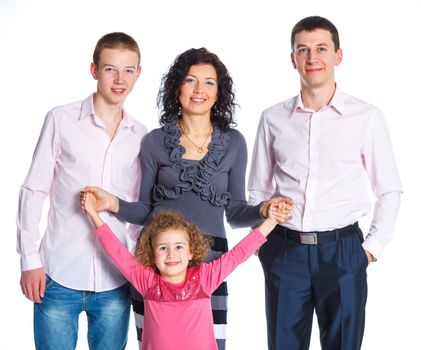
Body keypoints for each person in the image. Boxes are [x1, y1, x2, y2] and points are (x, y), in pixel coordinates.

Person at [82, 47, 293, 349]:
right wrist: (111, 204)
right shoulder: (154, 141)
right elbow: (144, 210)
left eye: (209, 82)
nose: (199, 90)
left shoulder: (233, 143)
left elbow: (234, 213)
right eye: (191, 80)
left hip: (211, 258)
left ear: (219, 92)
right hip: (157, 257)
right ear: (176, 87)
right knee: (156, 340)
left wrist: (263, 208)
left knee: (211, 341)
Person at [248, 16, 403, 350]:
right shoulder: (273, 118)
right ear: (292, 59)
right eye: (302, 50)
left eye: (321, 49)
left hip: (344, 252)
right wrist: (261, 244)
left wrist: (370, 251)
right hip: (284, 251)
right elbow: (257, 190)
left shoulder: (367, 117)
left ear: (338, 55)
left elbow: (389, 188)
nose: (311, 58)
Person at [16, 32, 147, 350]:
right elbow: (34, 190)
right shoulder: (61, 120)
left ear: (138, 74)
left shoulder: (141, 136)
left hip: (115, 279)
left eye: (128, 70)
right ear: (94, 70)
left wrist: (135, 267)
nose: (120, 80)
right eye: (110, 69)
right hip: (58, 274)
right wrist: (29, 261)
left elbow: (136, 210)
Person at [80, 194, 290, 350]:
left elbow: (238, 254)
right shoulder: (147, 281)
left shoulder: (205, 278)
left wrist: (271, 221)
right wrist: (92, 213)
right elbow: (117, 253)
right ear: (153, 255)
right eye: (163, 248)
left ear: (191, 252)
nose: (171, 254)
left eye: (179, 246)